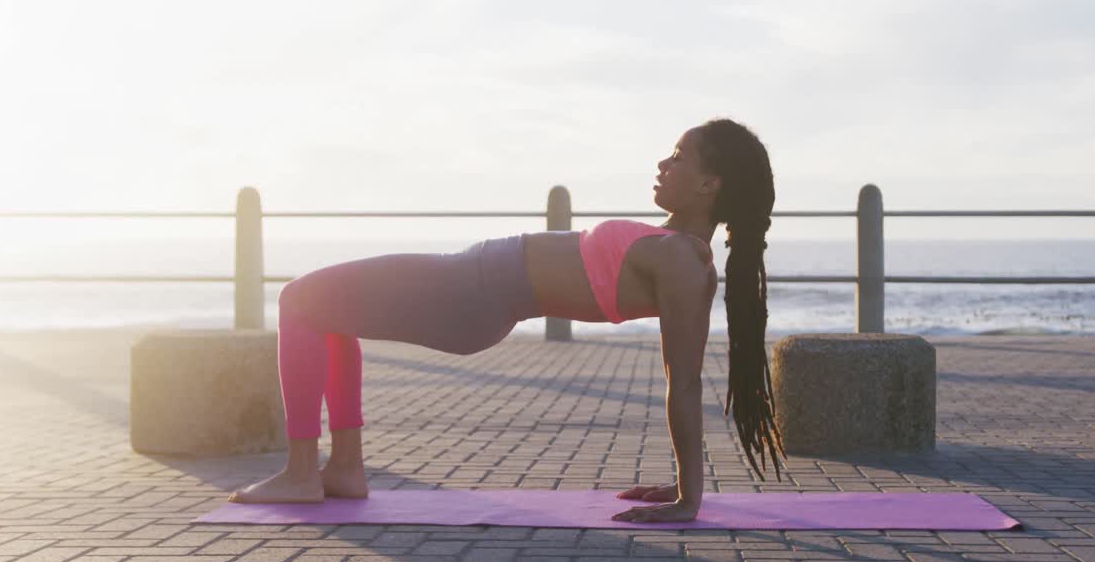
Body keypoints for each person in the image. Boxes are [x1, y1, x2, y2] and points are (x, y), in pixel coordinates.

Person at [229, 117, 786, 523]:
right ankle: (342, 469)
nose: (664, 164)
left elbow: (683, 380)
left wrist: (689, 497)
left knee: (298, 299)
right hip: (472, 290)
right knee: (327, 312)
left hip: (470, 291)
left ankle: (303, 471)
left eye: (678, 156)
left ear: (709, 185)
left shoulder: (683, 262)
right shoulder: (671, 247)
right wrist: (681, 487)